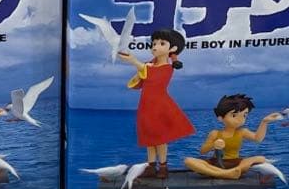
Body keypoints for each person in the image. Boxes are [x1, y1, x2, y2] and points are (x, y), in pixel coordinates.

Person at [118, 28, 195, 180]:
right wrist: (137, 65)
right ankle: (151, 166)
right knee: (149, 137)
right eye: (154, 43)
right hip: (146, 106)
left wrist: (134, 61)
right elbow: (140, 81)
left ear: (172, 48)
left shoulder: (167, 68)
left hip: (159, 106)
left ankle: (163, 166)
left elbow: (150, 75)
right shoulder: (150, 65)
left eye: (161, 43)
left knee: (160, 139)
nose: (155, 46)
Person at [184, 94, 281, 180]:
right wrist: (213, 145)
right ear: (220, 118)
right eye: (234, 115)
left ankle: (219, 172)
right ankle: (226, 174)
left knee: (260, 158)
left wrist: (264, 122)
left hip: (235, 163)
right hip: (216, 162)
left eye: (244, 115)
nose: (240, 120)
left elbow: (257, 138)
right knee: (188, 161)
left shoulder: (242, 132)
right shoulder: (215, 133)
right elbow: (203, 151)